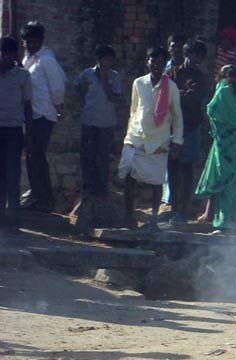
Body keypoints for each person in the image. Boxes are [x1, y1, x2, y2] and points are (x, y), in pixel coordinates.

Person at [119, 46, 183, 231]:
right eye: (153, 61)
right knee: (129, 177)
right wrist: (128, 135)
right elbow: (134, 110)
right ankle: (129, 217)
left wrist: (177, 141)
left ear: (164, 64)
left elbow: (177, 116)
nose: (156, 65)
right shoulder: (139, 83)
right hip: (136, 137)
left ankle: (153, 219)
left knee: (156, 183)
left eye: (160, 62)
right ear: (147, 62)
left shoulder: (170, 87)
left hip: (159, 140)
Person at [194, 65, 236, 231]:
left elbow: (211, 110)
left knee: (223, 181)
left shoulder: (222, 93)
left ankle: (224, 221)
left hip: (224, 145)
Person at [73, 44, 122, 235]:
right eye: (104, 59)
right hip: (89, 121)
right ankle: (88, 191)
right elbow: (77, 90)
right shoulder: (86, 74)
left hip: (106, 124)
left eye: (110, 60)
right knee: (87, 157)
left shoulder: (114, 77)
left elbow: (114, 98)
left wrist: (104, 81)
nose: (107, 63)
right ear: (99, 60)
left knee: (102, 158)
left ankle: (101, 191)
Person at [20, 21, 65, 214]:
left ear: (40, 40)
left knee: (37, 155)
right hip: (30, 116)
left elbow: (58, 86)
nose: (30, 44)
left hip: (44, 114)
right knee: (31, 155)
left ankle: (45, 198)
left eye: (34, 41)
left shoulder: (46, 59)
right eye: (27, 41)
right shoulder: (28, 59)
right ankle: (38, 194)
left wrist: (57, 106)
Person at [164, 40, 210, 228]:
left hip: (190, 126)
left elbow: (192, 99)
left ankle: (182, 210)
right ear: (185, 54)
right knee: (172, 168)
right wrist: (181, 95)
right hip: (171, 126)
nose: (194, 59)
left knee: (186, 169)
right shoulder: (173, 72)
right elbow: (166, 95)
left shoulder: (202, 77)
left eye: (197, 56)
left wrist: (178, 94)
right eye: (191, 55)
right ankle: (174, 208)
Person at [0, 37, 32, 234]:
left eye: (8, 54)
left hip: (13, 131)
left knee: (12, 176)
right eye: (2, 53)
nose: (5, 57)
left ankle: (13, 221)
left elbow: (28, 106)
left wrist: (28, 135)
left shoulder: (23, 76)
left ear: (14, 55)